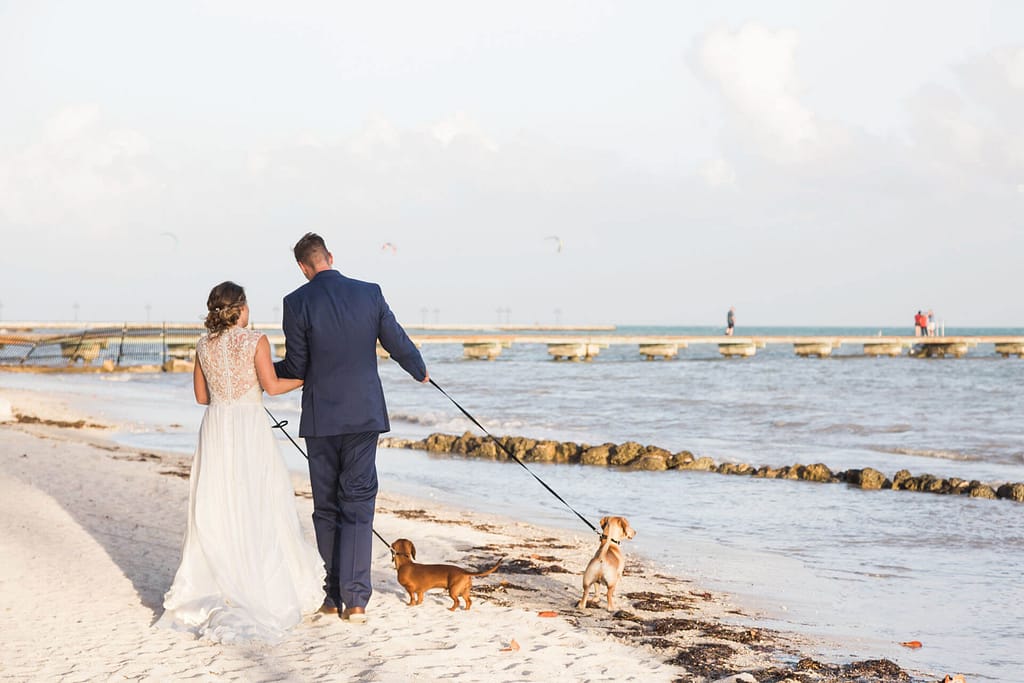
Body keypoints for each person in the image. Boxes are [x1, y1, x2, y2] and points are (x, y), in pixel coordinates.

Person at [157, 282, 325, 644]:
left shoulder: (203, 345)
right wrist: (306, 376)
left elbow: (201, 397)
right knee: (259, 501)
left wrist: (229, 394)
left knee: (218, 502)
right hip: (249, 428)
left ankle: (218, 582)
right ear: (241, 309)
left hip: (217, 426)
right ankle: (263, 586)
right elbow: (273, 386)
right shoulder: (256, 340)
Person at [275, 233, 428, 623]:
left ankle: (332, 596)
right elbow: (396, 342)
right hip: (363, 416)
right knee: (357, 505)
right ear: (330, 256)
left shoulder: (296, 302)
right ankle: (356, 600)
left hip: (321, 419)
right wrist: (420, 370)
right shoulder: (369, 293)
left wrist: (260, 372)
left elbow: (295, 367)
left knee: (327, 508)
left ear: (303, 267)